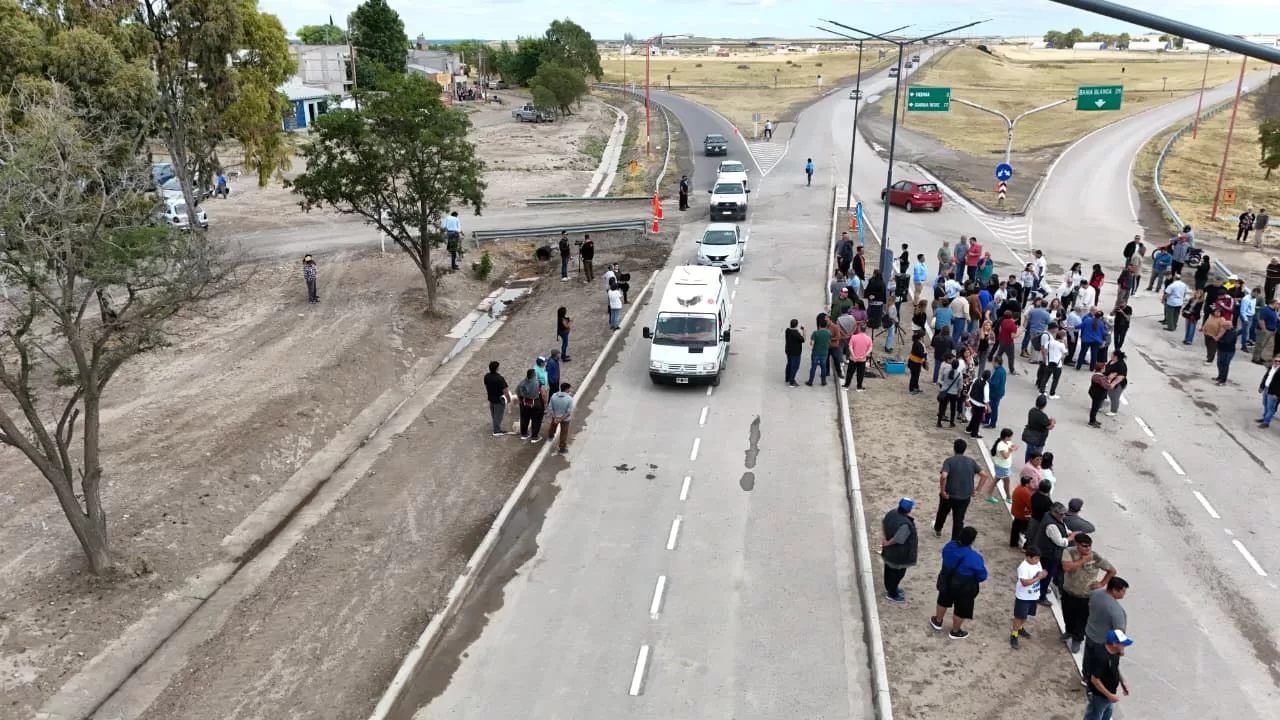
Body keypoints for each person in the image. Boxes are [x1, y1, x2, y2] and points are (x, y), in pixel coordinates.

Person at [1060, 532, 1116, 653]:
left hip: (1086, 595)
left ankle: (1077, 639)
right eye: (1084, 546)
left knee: (1082, 619)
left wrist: (1102, 583)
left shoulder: (1095, 557)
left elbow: (1112, 570)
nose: (1088, 548)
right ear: (1077, 545)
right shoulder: (1069, 552)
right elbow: (1067, 567)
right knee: (1067, 615)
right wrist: (1083, 560)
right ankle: (1069, 631)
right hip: (1069, 590)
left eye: (1089, 546)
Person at [929, 526, 988, 640]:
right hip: (964, 587)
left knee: (943, 600)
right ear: (972, 540)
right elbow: (982, 576)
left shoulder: (949, 546)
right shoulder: (974, 557)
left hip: (947, 579)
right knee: (961, 609)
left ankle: (938, 620)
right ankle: (955, 631)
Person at [934, 439, 988, 541]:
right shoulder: (971, 462)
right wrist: (977, 490)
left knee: (942, 513)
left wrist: (942, 491)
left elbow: (944, 476)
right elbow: (984, 475)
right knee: (959, 519)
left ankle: (938, 529)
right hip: (964, 496)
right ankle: (955, 539)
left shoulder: (949, 461)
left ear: (954, 448)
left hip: (949, 495)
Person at [1031, 501, 1077, 606]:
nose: (1063, 516)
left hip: (1046, 552)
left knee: (1044, 573)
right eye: (1061, 514)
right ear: (1054, 512)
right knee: (1047, 574)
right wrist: (1070, 538)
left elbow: (1063, 528)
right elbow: (1060, 542)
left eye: (1064, 514)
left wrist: (1069, 533)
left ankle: (1042, 588)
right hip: (1048, 554)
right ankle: (1041, 596)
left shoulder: (1053, 518)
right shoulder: (1052, 525)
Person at [1083, 630, 1133, 720]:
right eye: (1122, 643)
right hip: (1099, 696)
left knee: (1106, 715)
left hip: (1108, 696)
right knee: (1093, 716)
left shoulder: (1114, 653)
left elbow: (1115, 667)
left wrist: (1122, 681)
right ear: (1114, 643)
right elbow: (1095, 680)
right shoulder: (1101, 657)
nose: (1124, 646)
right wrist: (1110, 695)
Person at [881, 498, 919, 603]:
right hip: (899, 555)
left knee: (888, 571)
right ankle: (892, 594)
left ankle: (891, 589)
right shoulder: (905, 524)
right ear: (909, 510)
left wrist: (884, 539)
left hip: (889, 553)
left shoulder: (891, 513)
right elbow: (898, 539)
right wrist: (888, 543)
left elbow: (883, 523)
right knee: (897, 574)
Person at [1010, 546, 1048, 649]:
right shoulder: (1023, 567)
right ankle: (1014, 634)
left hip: (1034, 595)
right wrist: (1039, 577)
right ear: (1028, 557)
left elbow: (1039, 573)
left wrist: (1042, 575)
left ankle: (1021, 628)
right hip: (1023, 597)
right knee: (1019, 616)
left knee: (1026, 614)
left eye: (1038, 558)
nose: (1038, 561)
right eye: (1035, 558)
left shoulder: (1037, 563)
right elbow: (1025, 583)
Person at [983, 428, 1016, 504]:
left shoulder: (1007, 443)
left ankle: (990, 495)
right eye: (1010, 436)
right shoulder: (1001, 445)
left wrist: (1012, 448)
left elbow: (1012, 446)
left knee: (997, 480)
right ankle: (1008, 497)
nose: (1011, 438)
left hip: (1004, 466)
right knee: (1004, 482)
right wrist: (1010, 450)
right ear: (1007, 437)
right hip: (1002, 467)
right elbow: (1005, 456)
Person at [515, 369, 547, 441]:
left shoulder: (521, 383)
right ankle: (534, 436)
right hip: (536, 403)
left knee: (524, 419)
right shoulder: (538, 383)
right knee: (536, 420)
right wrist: (545, 403)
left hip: (524, 403)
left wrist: (520, 401)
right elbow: (543, 394)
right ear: (534, 375)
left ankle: (524, 434)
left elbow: (518, 393)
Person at [1021, 394, 1054, 461]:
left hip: (1030, 436)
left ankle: (1027, 465)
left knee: (1028, 452)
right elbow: (1049, 426)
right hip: (1038, 439)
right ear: (1044, 405)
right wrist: (1053, 421)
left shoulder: (1032, 411)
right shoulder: (1042, 416)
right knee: (1036, 455)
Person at [482, 361, 511, 436]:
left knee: (494, 414)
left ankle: (496, 427)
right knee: (498, 416)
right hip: (499, 399)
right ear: (497, 368)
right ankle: (497, 431)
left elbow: (486, 386)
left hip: (491, 398)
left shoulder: (486, 376)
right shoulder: (500, 378)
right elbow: (505, 391)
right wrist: (508, 399)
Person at [546, 382, 575, 455]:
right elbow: (568, 412)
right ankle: (562, 448)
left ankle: (550, 436)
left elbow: (550, 408)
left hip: (555, 416)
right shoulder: (569, 399)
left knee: (553, 426)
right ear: (567, 389)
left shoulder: (553, 396)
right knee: (563, 433)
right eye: (569, 389)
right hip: (565, 419)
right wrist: (561, 419)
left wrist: (555, 417)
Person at [844, 323, 873, 391]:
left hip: (853, 359)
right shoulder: (868, 338)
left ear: (859, 329)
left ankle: (847, 385)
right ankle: (859, 387)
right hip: (862, 359)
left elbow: (850, 347)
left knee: (850, 372)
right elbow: (870, 348)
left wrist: (853, 355)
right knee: (860, 373)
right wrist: (865, 355)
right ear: (865, 330)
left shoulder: (854, 337)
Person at [937, 358, 964, 427]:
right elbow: (960, 386)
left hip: (944, 391)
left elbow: (942, 379)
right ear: (958, 366)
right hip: (953, 393)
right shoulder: (959, 375)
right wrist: (959, 393)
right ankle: (951, 422)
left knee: (942, 407)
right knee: (953, 408)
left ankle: (939, 422)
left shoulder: (946, 371)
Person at [806, 317, 833, 386]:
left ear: (819, 325)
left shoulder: (815, 333)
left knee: (813, 367)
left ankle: (810, 381)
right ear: (826, 326)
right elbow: (829, 342)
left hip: (816, 352)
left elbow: (811, 343)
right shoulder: (829, 333)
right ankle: (823, 382)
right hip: (824, 353)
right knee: (823, 367)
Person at [1009, 475, 1034, 548]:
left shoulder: (1018, 487)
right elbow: (1030, 506)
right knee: (1030, 528)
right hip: (1022, 514)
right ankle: (1025, 544)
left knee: (1015, 527)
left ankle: (1013, 543)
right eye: (1030, 482)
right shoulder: (1026, 493)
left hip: (1015, 511)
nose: (1031, 483)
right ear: (1027, 484)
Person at [1214, 319, 1241, 386]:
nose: (1223, 327)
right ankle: (1220, 376)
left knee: (1225, 365)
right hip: (1221, 350)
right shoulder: (1226, 331)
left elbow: (1227, 342)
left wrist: (1217, 340)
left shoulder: (1232, 333)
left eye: (1224, 326)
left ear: (1228, 326)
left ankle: (1223, 380)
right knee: (1220, 363)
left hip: (1228, 351)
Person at [965, 369, 990, 438]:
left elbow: (971, 387)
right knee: (977, 419)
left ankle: (969, 429)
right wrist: (988, 406)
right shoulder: (986, 384)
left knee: (974, 416)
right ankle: (974, 433)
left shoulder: (976, 379)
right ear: (988, 378)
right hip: (980, 404)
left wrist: (969, 396)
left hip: (972, 400)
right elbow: (986, 397)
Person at [1103, 350, 1128, 416]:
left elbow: (1121, 377)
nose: (1110, 355)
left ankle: (1113, 411)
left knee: (1114, 397)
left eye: (1112, 354)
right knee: (1106, 393)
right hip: (1108, 381)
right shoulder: (1112, 361)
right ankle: (1104, 404)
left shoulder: (1121, 365)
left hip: (1118, 384)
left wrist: (1113, 384)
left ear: (1115, 356)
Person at [1254, 298, 1279, 364]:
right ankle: (1256, 358)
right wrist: (1264, 329)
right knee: (1260, 344)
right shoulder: (1265, 310)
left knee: (1265, 345)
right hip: (1265, 330)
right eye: (1278, 304)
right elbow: (1261, 320)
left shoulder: (1274, 311)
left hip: (1271, 330)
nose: (1279, 306)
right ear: (1274, 303)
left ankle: (1261, 357)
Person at [985, 355, 1007, 428]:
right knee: (991, 406)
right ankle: (986, 419)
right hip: (999, 392)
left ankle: (992, 423)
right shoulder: (1002, 370)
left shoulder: (998, 372)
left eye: (993, 362)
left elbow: (995, 384)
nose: (992, 363)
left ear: (996, 363)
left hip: (995, 393)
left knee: (993, 408)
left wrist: (988, 381)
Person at [1259, 356, 1280, 428]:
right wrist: (1261, 386)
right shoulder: (1271, 367)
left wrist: (1276, 394)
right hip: (1266, 388)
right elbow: (1265, 377)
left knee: (1271, 407)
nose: (1277, 362)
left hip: (1273, 392)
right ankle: (1265, 418)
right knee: (1265, 403)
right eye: (1276, 361)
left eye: (1279, 361)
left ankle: (1266, 422)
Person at [996, 310, 1018, 375]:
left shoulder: (1004, 321)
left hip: (1001, 340)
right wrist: (1019, 334)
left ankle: (996, 364)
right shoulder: (1013, 325)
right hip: (1009, 343)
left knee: (999, 354)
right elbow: (1012, 337)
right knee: (1011, 357)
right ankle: (1012, 370)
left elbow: (1000, 330)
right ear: (1017, 319)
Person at [784, 319, 805, 387]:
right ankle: (792, 381)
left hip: (788, 351)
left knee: (789, 364)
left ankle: (787, 378)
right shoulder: (796, 334)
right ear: (796, 325)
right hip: (795, 353)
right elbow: (803, 339)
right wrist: (804, 331)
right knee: (795, 366)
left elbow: (793, 330)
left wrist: (798, 330)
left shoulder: (787, 330)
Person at [908, 330, 928, 395]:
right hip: (914, 363)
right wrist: (924, 355)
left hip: (915, 362)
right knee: (914, 376)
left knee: (917, 375)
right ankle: (911, 389)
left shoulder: (917, 342)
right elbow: (921, 354)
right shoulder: (918, 344)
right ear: (921, 337)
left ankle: (916, 387)